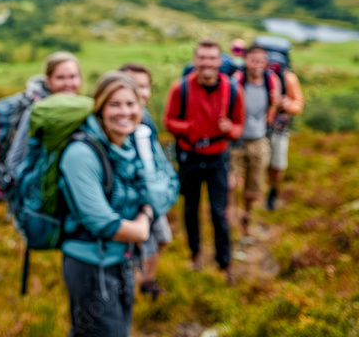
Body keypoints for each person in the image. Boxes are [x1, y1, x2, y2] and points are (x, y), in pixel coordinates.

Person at [59, 72, 159, 337]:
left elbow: (149, 192)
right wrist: (144, 222)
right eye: (115, 104)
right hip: (91, 266)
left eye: (130, 104)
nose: (124, 112)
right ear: (100, 108)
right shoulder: (80, 153)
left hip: (121, 260)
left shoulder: (125, 145)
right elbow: (102, 222)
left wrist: (145, 213)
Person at [164, 40, 245, 282]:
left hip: (218, 158)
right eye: (202, 58)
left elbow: (239, 128)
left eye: (211, 58)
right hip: (189, 157)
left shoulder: (232, 90)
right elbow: (169, 121)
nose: (207, 63)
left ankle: (225, 263)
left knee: (219, 213)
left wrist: (230, 129)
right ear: (195, 60)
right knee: (190, 209)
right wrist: (189, 127)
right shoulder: (181, 88)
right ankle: (195, 255)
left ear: (219, 62)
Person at [119, 63, 177, 299]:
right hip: (133, 197)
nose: (140, 92)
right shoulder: (118, 120)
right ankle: (131, 291)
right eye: (133, 86)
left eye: (144, 86)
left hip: (151, 192)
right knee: (138, 246)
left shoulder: (147, 118)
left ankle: (146, 281)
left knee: (162, 239)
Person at [0, 52, 82, 186]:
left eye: (72, 77)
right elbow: (15, 161)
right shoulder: (38, 110)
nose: (68, 83)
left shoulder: (78, 108)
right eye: (60, 77)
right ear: (48, 81)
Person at [228, 46, 280, 237]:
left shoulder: (271, 81)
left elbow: (274, 106)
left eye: (260, 61)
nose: (256, 65)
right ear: (245, 61)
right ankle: (230, 215)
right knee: (231, 183)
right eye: (252, 60)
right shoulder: (237, 81)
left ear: (266, 63)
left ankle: (246, 216)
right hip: (237, 141)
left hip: (259, 140)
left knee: (254, 187)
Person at [266, 67, 305, 210]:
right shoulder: (257, 75)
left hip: (279, 130)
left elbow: (298, 105)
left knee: (277, 164)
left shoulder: (288, 78)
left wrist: (286, 104)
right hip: (259, 130)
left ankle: (272, 191)